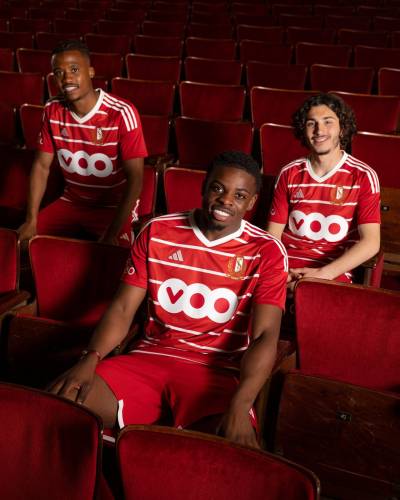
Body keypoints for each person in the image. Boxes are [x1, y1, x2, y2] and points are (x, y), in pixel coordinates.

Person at [48, 151, 288, 448]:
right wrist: (90, 357)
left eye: (239, 195)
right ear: (204, 187)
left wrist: (241, 404)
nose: (226, 200)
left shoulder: (267, 251)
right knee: (60, 404)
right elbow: (122, 308)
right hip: (148, 359)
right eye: (218, 188)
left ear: (251, 202)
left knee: (229, 451)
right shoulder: (157, 231)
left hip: (215, 374)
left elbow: (265, 335)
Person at [18, 40, 147, 246]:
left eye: (74, 69)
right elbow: (41, 166)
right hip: (72, 202)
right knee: (23, 243)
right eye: (59, 72)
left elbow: (136, 179)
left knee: (113, 257)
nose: (67, 78)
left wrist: (112, 234)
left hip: (113, 206)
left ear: (91, 72)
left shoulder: (122, 112)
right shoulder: (52, 109)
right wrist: (31, 219)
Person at [267, 93, 380, 289]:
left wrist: (323, 274)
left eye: (328, 122)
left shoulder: (363, 176)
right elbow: (272, 236)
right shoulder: (289, 173)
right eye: (311, 123)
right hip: (286, 269)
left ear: (342, 128)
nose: (319, 130)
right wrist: (280, 272)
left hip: (333, 272)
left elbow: (371, 242)